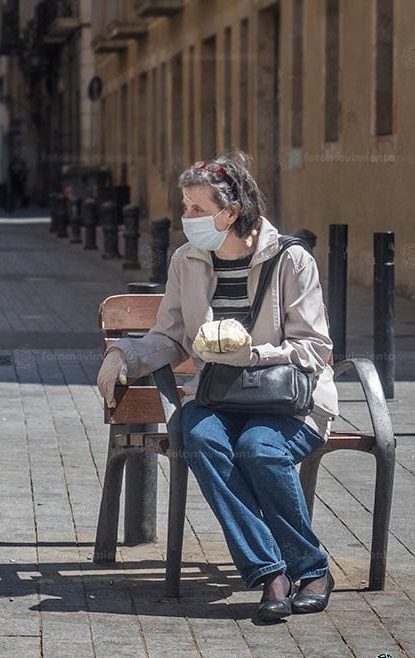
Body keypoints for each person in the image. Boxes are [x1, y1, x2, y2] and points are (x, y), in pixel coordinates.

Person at [96, 151, 339, 623]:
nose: (186, 217)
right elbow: (168, 335)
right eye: (185, 206)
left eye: (196, 209)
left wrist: (250, 353)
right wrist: (123, 355)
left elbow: (314, 348)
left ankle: (311, 568)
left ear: (230, 212)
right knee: (201, 436)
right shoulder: (187, 260)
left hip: (289, 398)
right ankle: (272, 573)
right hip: (221, 394)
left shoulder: (292, 260)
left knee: (260, 447)